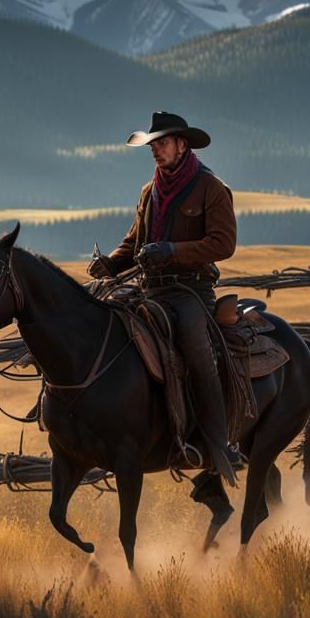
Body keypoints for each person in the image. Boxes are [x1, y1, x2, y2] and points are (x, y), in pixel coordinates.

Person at [87, 111, 239, 487]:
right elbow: (133, 241)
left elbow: (224, 244)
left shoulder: (211, 188)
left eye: (163, 143)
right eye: (152, 145)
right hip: (150, 290)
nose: (156, 150)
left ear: (182, 145)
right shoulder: (149, 190)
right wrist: (110, 263)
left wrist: (171, 250)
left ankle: (218, 445)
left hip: (191, 292)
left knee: (195, 346)